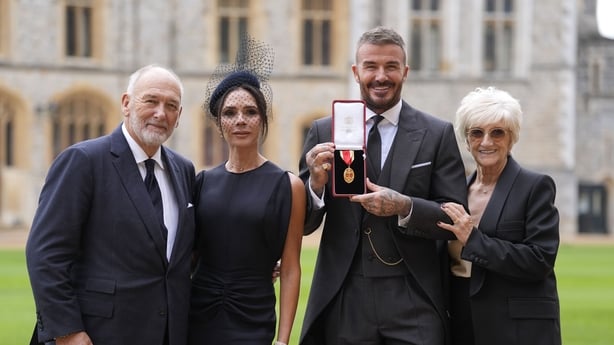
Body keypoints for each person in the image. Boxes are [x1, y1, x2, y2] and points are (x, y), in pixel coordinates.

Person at [299, 26, 468, 345]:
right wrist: (316, 186)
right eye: (371, 66)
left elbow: (454, 220)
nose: (381, 76)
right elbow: (304, 224)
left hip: (414, 297)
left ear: (405, 71)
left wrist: (405, 207)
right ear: (355, 71)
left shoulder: (437, 134)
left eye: (391, 66)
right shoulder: (324, 132)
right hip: (346, 297)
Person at [25, 64, 196, 345]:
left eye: (171, 105)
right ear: (126, 104)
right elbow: (45, 253)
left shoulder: (183, 170)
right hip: (97, 334)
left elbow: (185, 255)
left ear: (179, 117)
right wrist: (67, 331)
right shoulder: (83, 161)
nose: (160, 113)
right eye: (151, 101)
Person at [188, 36, 305, 345]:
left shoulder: (288, 186)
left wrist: (282, 340)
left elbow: (292, 267)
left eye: (250, 112)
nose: (240, 120)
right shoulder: (201, 183)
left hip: (253, 316)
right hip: (199, 314)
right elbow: (190, 255)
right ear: (219, 122)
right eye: (230, 113)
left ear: (263, 119)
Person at [437, 87, 561, 345]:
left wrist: (474, 240)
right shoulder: (455, 192)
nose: (486, 142)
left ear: (512, 137)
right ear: (466, 139)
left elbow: (540, 260)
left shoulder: (535, 186)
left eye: (497, 133)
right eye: (476, 133)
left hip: (515, 327)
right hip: (460, 320)